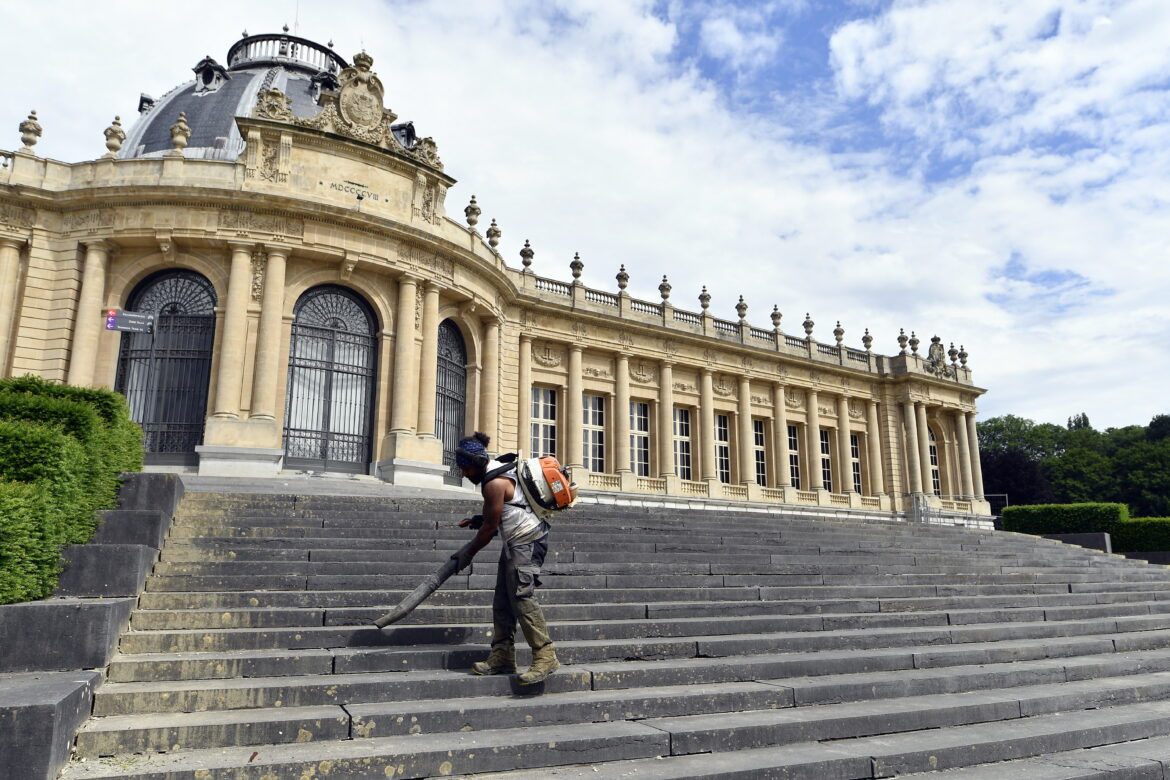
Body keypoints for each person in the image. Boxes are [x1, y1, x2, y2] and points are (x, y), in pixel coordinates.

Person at [452, 432, 560, 684]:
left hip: (527, 541)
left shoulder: (493, 483)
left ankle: (545, 655)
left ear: (478, 463)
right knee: (502, 599)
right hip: (516, 541)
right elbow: (504, 509)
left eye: (466, 468)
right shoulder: (499, 470)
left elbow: (490, 529)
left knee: (522, 597)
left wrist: (466, 554)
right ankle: (502, 655)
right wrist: (478, 520)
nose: (464, 474)